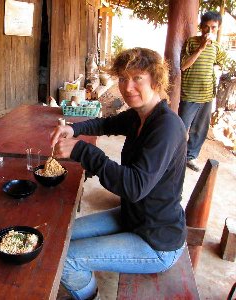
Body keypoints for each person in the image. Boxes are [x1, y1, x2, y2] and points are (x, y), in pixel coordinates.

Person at [50, 48, 187, 300]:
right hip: (131, 217)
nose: (128, 87)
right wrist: (73, 129)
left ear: (156, 81)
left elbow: (134, 186)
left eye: (137, 79)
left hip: (156, 241)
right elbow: (105, 123)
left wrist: (82, 151)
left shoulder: (166, 126)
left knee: (67, 259)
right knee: (58, 238)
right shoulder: (140, 116)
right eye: (123, 78)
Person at [179, 11, 227, 172]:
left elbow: (221, 64)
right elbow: (183, 66)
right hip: (189, 93)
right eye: (206, 27)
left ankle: (190, 157)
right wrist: (201, 48)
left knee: (200, 129)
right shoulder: (191, 43)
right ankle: (174, 157)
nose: (209, 31)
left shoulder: (218, 48)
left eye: (213, 28)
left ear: (218, 29)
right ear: (201, 27)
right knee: (181, 126)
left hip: (206, 94)